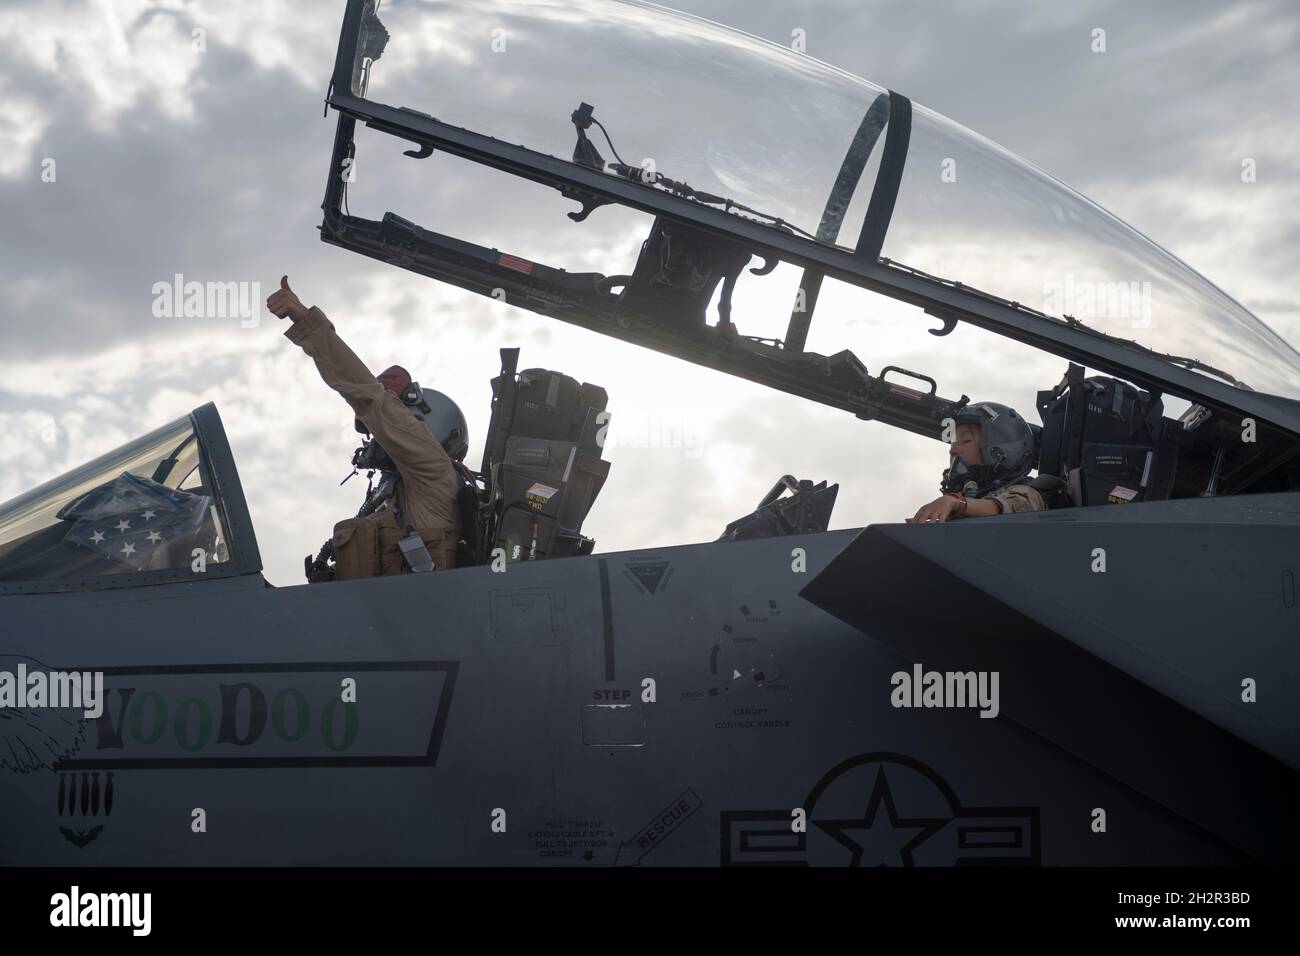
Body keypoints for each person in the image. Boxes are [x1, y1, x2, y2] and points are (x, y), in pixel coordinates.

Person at [266, 276, 467, 580]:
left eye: (397, 412)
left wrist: (308, 324)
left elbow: (369, 397)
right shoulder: (397, 493)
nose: (378, 437)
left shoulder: (432, 471)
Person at [908, 401, 1047, 524]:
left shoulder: (1028, 493)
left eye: (966, 440)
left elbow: (1001, 509)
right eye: (952, 444)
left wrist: (957, 503)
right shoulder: (963, 500)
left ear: (999, 451)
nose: (953, 451)